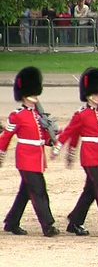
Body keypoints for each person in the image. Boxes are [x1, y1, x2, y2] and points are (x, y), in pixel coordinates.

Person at [53, 67, 98, 238]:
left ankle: (75, 221)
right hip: (90, 156)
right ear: (89, 95)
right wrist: (58, 147)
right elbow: (70, 132)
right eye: (96, 94)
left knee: (90, 191)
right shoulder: (81, 115)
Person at [0, 67, 59, 237]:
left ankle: (12, 222)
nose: (36, 96)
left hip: (37, 157)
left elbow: (43, 137)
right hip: (26, 158)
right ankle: (48, 225)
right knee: (39, 190)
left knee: (25, 192)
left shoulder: (38, 115)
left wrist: (53, 137)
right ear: (25, 95)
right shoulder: (17, 115)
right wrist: (1, 153)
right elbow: (6, 137)